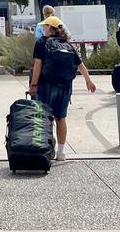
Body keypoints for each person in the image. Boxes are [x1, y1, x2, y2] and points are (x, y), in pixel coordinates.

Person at [28, 16, 97, 161]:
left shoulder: (41, 43)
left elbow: (37, 65)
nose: (42, 28)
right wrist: (89, 81)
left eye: (45, 26)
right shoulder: (67, 44)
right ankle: (61, 152)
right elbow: (80, 65)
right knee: (61, 118)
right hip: (65, 87)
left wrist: (33, 85)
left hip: (46, 85)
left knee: (44, 117)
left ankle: (45, 150)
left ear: (50, 28)